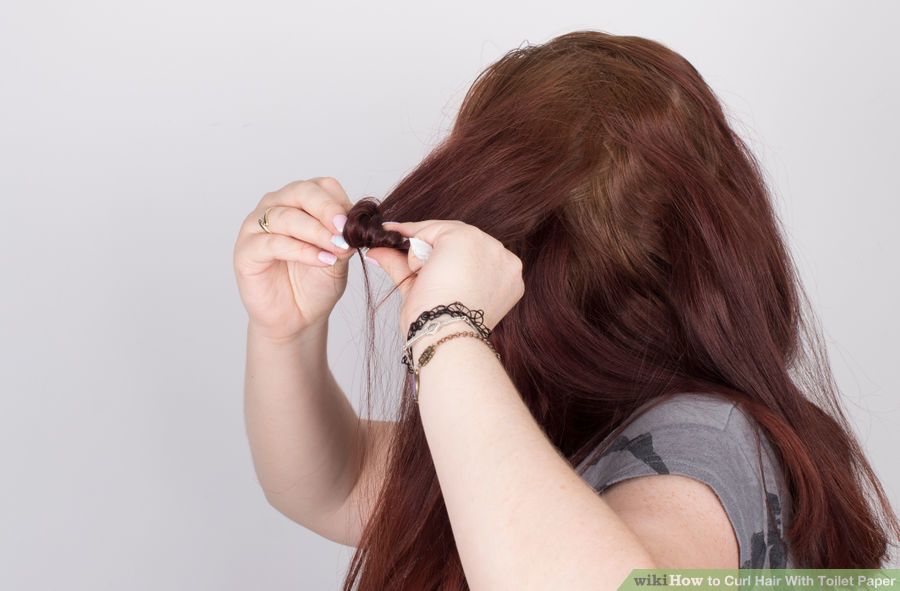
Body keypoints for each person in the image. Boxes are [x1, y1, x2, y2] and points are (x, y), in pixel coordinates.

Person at [232, 30, 899, 590]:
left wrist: (447, 331)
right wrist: (286, 332)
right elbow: (337, 483)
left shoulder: (711, 438)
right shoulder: (536, 420)